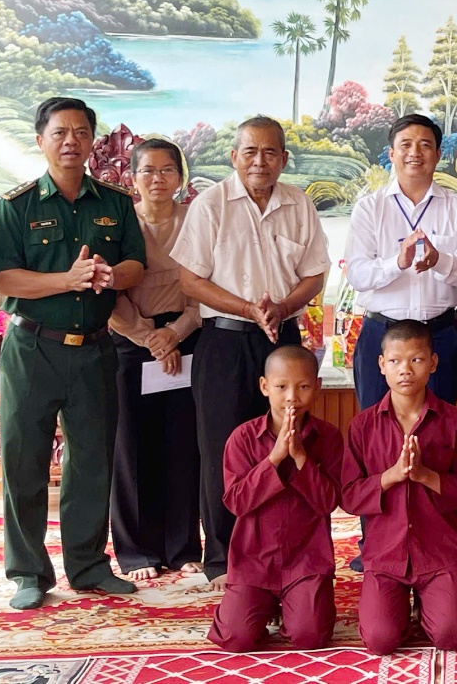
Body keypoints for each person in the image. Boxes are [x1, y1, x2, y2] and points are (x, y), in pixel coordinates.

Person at [0, 96, 146, 610]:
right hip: (32, 348)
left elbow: (136, 264)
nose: (71, 141)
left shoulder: (116, 203)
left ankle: (89, 566)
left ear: (92, 141)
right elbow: (5, 278)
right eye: (60, 133)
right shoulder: (17, 205)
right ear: (41, 141)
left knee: (93, 463)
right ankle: (28, 572)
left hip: (95, 349)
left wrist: (109, 276)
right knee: (24, 462)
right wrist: (68, 279)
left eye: (81, 132)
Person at [173, 116, 330, 586]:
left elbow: (314, 274)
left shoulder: (299, 203)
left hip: (281, 339)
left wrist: (282, 307)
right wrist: (246, 307)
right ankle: (223, 558)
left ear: (284, 158)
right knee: (222, 446)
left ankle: (286, 549)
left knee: (289, 437)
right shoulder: (211, 205)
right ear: (234, 156)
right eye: (250, 152)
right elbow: (190, 279)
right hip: (223, 339)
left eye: (270, 152)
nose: (260, 161)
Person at [342, 320, 457, 653]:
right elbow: (348, 497)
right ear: (381, 365)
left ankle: (427, 601)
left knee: (451, 635)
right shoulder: (363, 426)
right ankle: (400, 609)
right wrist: (390, 476)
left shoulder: (454, 421)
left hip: (437, 553)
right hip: (384, 555)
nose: (405, 370)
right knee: (380, 640)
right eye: (395, 361)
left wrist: (426, 476)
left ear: (433, 362)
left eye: (416, 359)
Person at [108, 137, 203, 581]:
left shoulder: (196, 220)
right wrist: (150, 338)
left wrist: (175, 333)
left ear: (180, 178)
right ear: (133, 178)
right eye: (148, 170)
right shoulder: (119, 224)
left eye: (167, 170)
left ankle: (182, 546)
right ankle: (136, 551)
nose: (158, 178)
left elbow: (208, 285)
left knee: (184, 443)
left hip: (188, 337)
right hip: (132, 341)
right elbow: (109, 292)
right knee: (131, 446)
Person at [344, 114, 457, 409]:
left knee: (439, 428)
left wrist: (440, 261)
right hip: (381, 335)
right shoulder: (370, 208)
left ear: (438, 154)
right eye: (406, 144)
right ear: (391, 153)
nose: (415, 152)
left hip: (438, 336)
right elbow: (357, 274)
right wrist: (397, 263)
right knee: (377, 428)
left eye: (425, 145)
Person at [209, 345, 342, 653]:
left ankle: (291, 605)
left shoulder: (328, 437)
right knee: (236, 638)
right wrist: (274, 459)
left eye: (303, 387)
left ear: (317, 387)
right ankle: (256, 602)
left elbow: (328, 502)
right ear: (264, 386)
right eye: (281, 387)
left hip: (307, 560)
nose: (292, 397)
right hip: (253, 559)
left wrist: (300, 458)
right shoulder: (243, 438)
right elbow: (237, 502)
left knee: (310, 636)